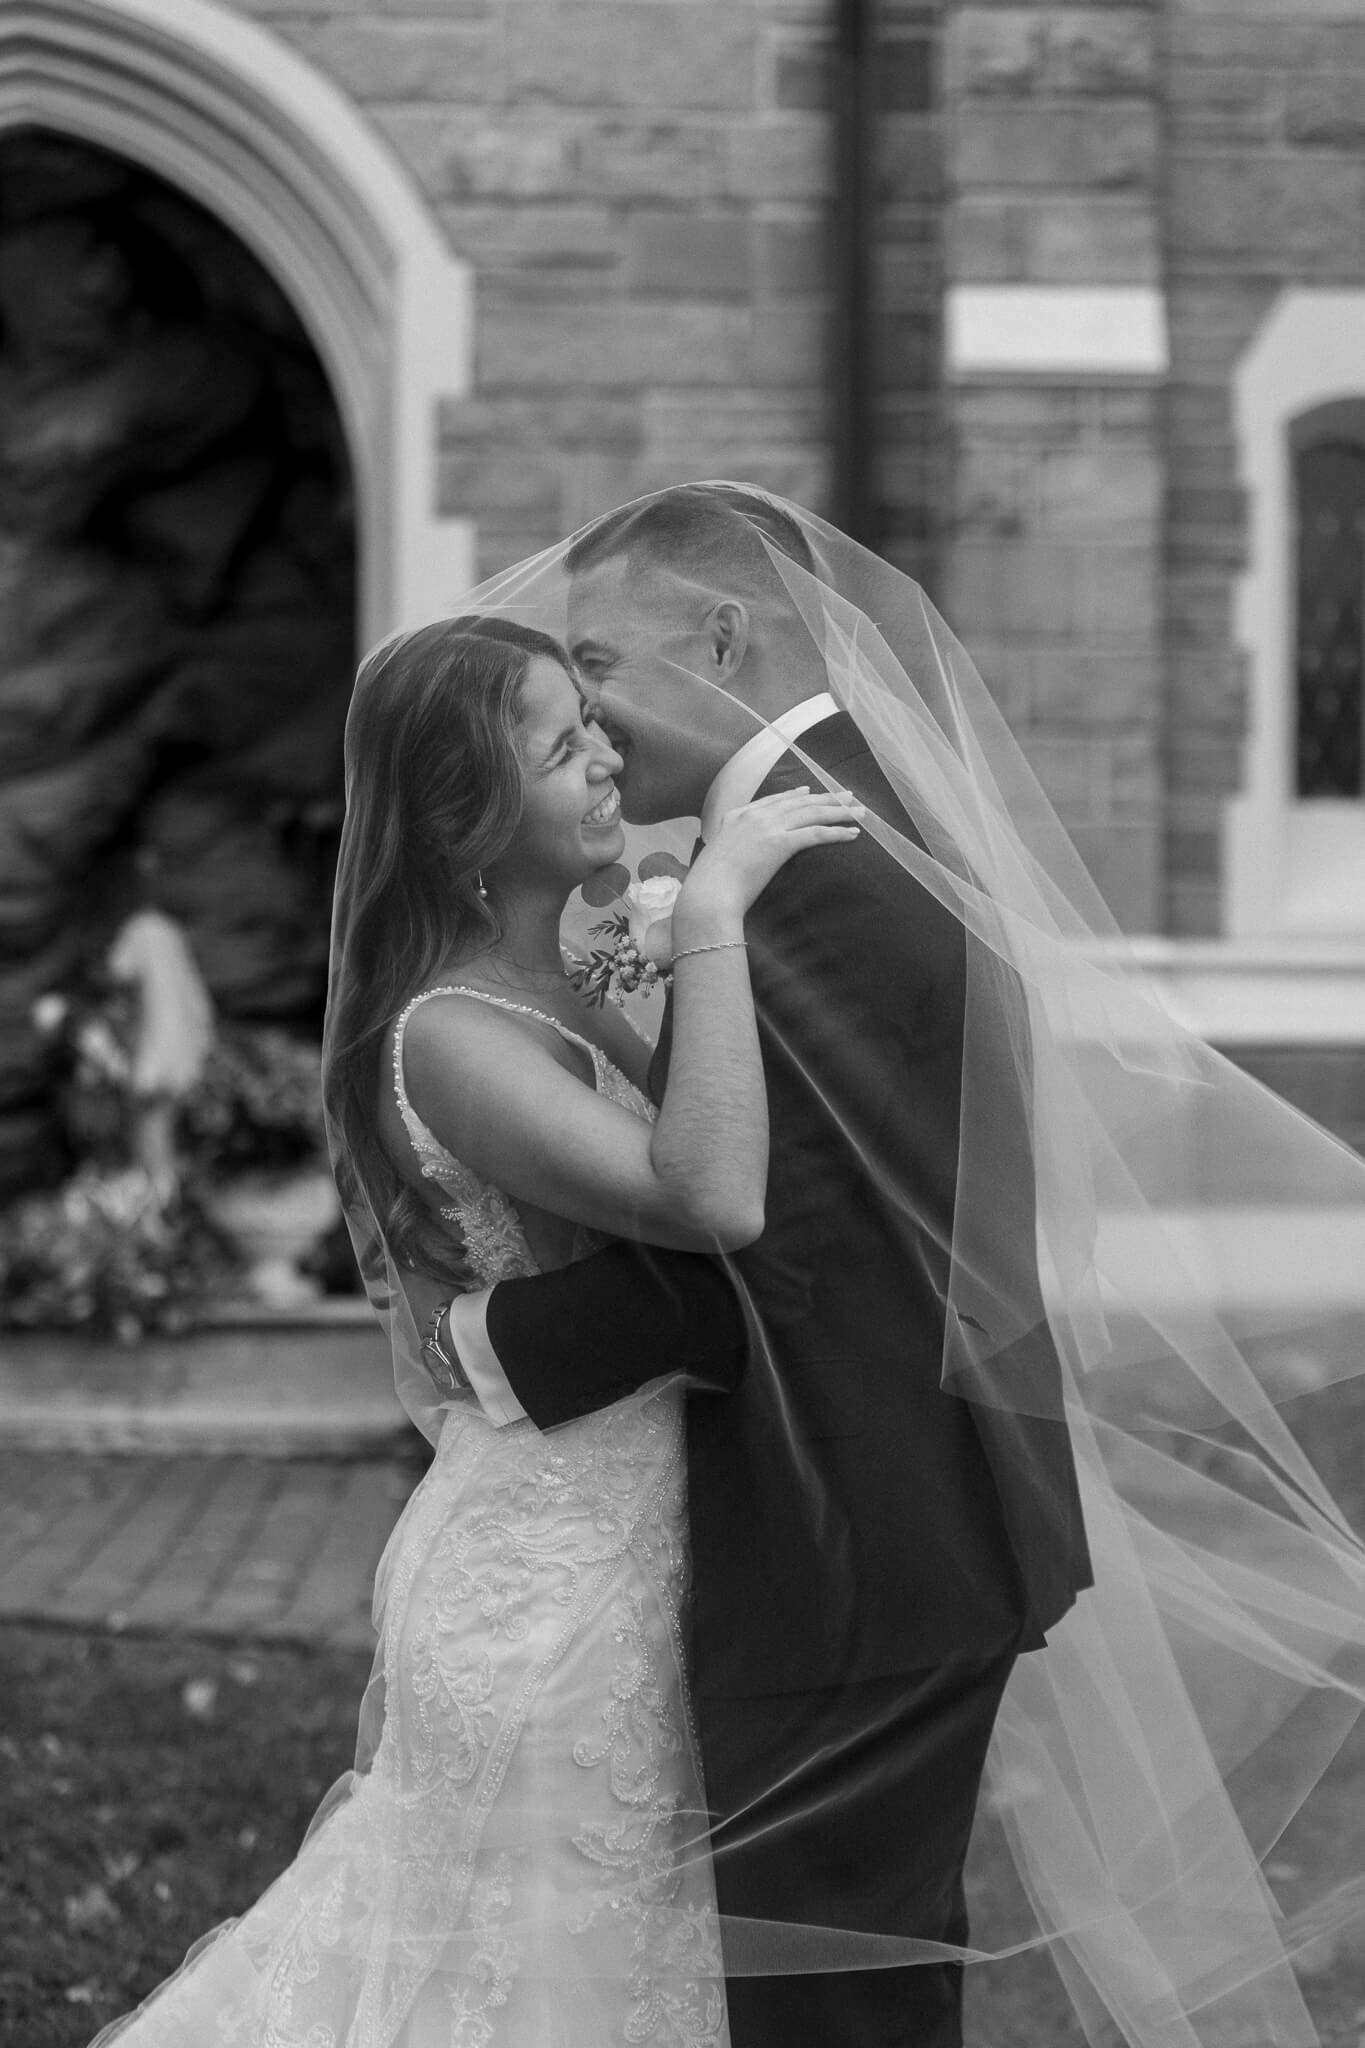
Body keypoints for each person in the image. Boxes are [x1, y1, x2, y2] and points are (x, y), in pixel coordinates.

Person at [408, 483, 1365, 2048]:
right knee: (861, 1973)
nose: (582, 714)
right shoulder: (833, 832)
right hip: (890, 1496)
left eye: (601, 664)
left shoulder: (819, 878)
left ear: (720, 633)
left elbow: (780, 1240)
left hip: (852, 1519)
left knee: (828, 2003)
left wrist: (492, 1337)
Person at [90, 614, 862, 2046]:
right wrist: (711, 914)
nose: (604, 758)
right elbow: (712, 1194)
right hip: (541, 1587)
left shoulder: (562, 981)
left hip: (629, 1543)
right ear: (460, 818)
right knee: (531, 1972)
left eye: (594, 728)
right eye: (560, 743)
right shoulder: (445, 1033)